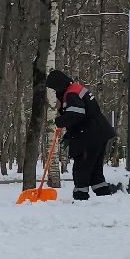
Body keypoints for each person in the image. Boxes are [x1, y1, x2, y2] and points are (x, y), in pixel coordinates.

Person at [45, 70, 119, 199]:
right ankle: (105, 199)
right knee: (95, 171)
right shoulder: (75, 89)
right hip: (99, 133)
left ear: (58, 86)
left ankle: (81, 198)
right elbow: (84, 113)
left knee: (81, 169)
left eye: (53, 89)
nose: (54, 93)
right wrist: (70, 133)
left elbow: (76, 114)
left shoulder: (71, 94)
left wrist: (59, 121)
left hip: (89, 136)